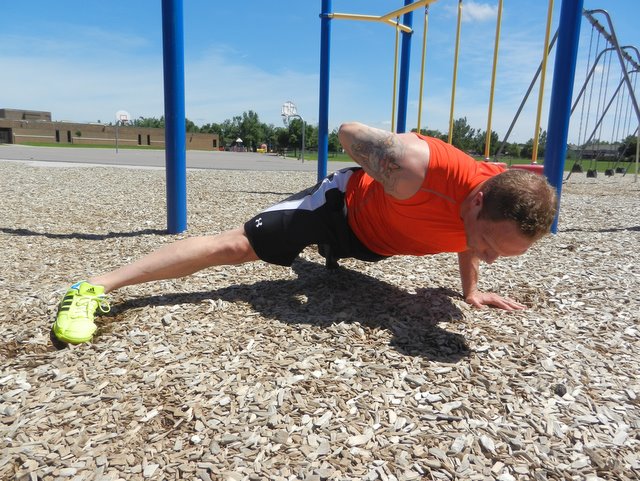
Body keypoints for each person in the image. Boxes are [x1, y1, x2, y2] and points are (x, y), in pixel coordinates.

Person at [51, 121, 557, 346]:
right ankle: (91, 286)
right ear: (474, 201)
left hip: (374, 246)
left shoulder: (499, 202)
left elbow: (472, 238)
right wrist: (384, 159)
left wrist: (470, 290)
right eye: (488, 246)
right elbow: (348, 131)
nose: (488, 256)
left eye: (500, 255)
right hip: (339, 210)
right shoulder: (418, 167)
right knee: (236, 247)